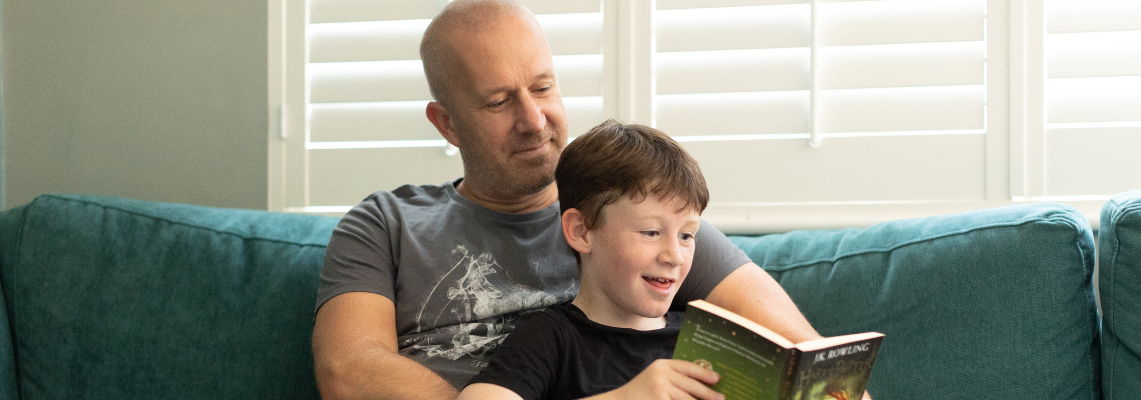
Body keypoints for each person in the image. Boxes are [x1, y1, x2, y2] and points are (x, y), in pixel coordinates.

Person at [310, 1, 822, 399]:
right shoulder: (385, 224)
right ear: (446, 123)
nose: (534, 120)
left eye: (543, 88)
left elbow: (808, 355)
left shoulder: (643, 220)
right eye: (498, 101)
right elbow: (347, 373)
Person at [458, 119, 724, 400]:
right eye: (651, 232)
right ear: (581, 231)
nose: (674, 256)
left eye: (687, 235)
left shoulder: (703, 338)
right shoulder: (550, 338)